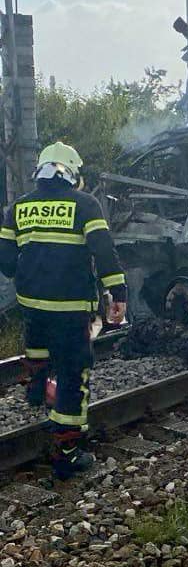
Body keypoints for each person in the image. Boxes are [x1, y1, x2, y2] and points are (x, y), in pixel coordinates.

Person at [0, 142, 127, 479]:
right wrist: (118, 291)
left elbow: (7, 264)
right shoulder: (85, 204)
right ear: (71, 171)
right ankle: (67, 453)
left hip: (31, 304)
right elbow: (104, 252)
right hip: (70, 309)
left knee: (38, 349)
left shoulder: (18, 207)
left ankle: (36, 389)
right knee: (73, 375)